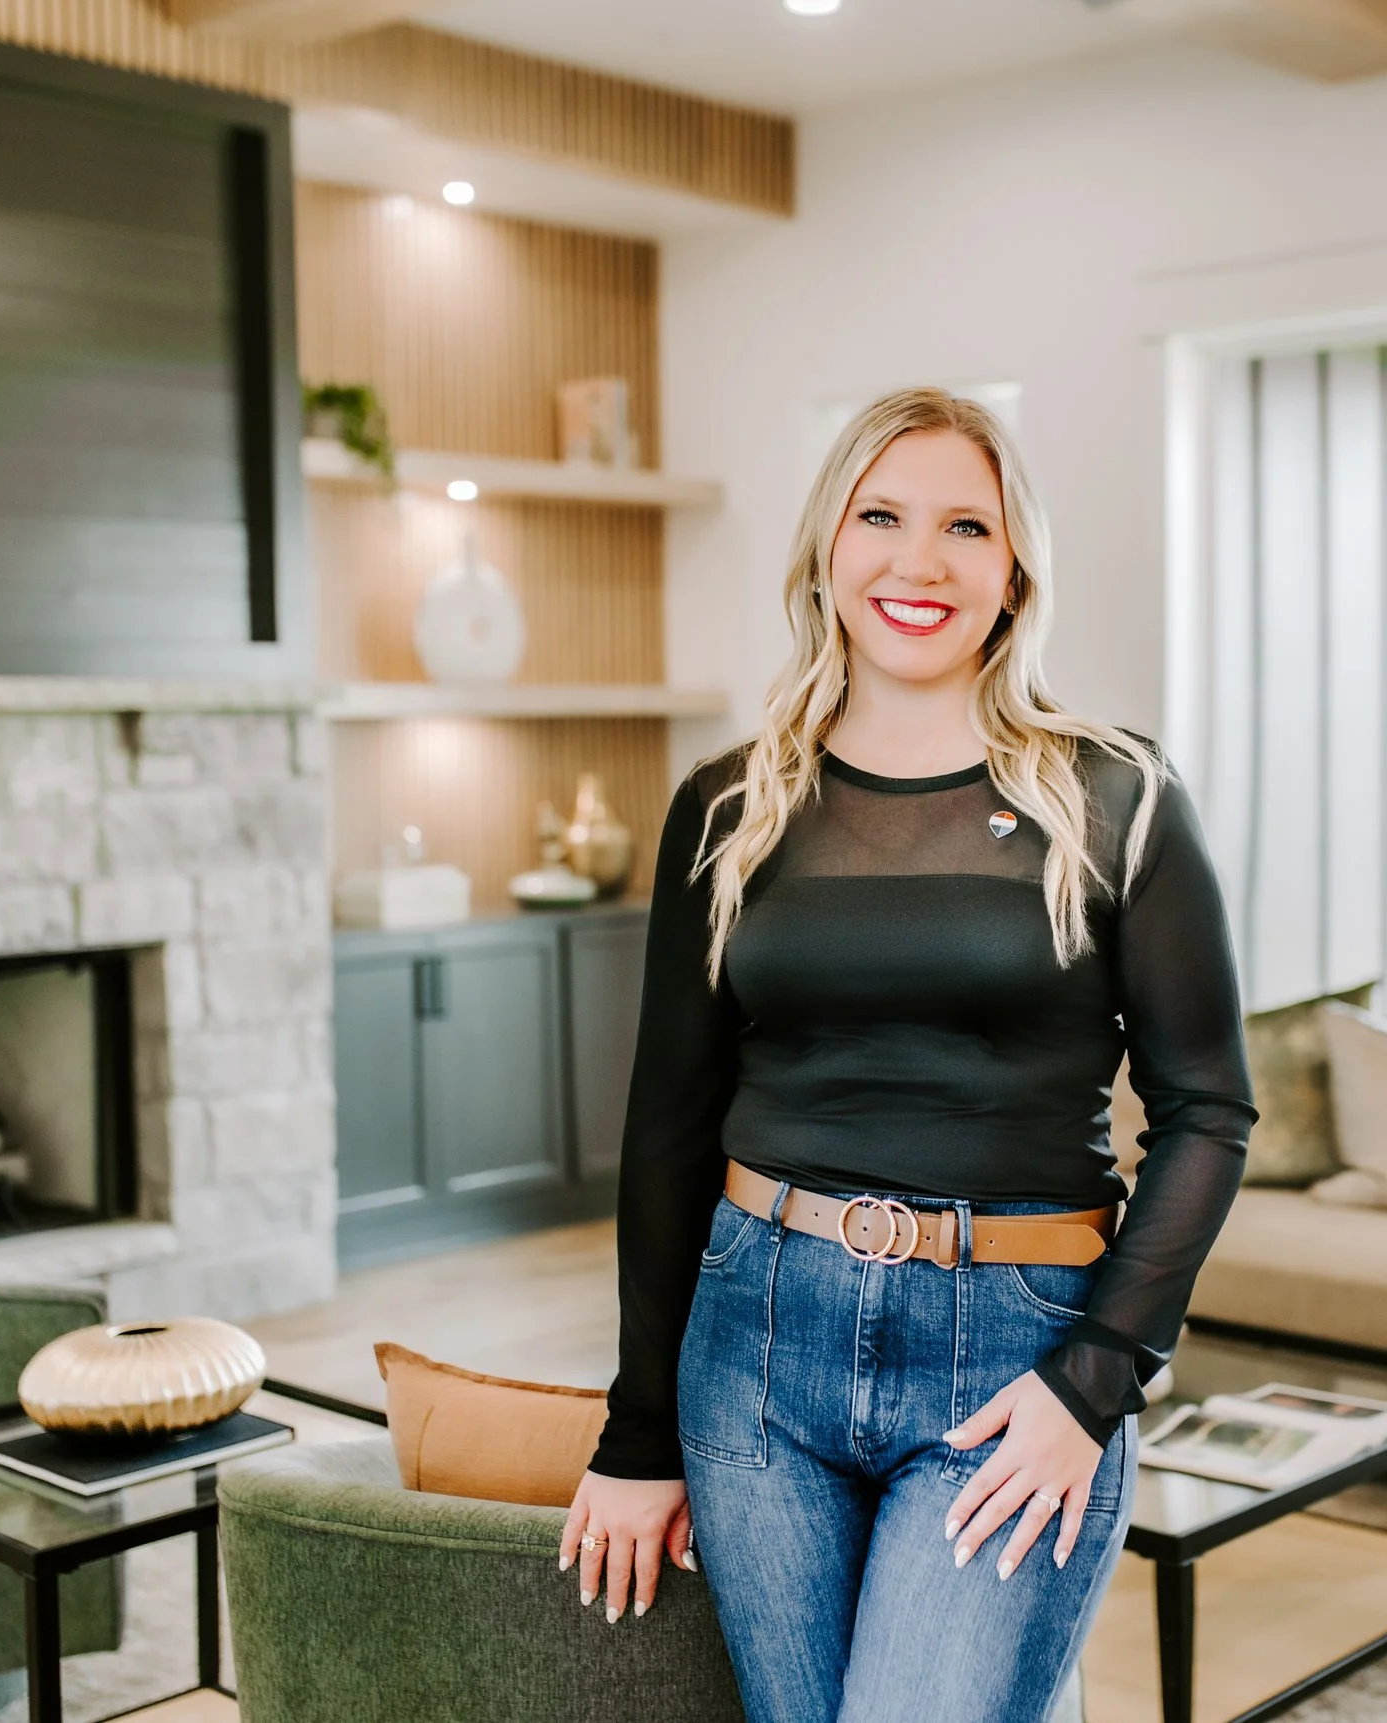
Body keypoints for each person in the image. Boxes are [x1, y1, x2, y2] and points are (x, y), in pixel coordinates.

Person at [561, 385, 1254, 1722]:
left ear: (1015, 570)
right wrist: (638, 1428)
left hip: (1016, 1355)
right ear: (829, 544)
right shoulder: (729, 806)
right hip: (757, 1344)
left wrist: (1092, 1381)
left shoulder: (1117, 795)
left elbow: (1208, 1113)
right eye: (880, 514)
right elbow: (666, 1127)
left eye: (964, 526)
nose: (917, 560)